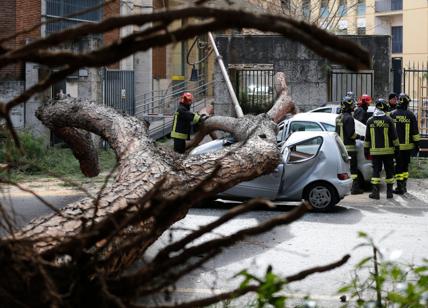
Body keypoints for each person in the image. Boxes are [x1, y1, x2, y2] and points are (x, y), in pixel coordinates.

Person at [364, 98, 400, 199]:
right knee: (389, 172)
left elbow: (367, 139)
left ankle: (375, 193)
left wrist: (366, 151)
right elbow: (394, 137)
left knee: (376, 172)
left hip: (375, 153)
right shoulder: (388, 120)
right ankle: (389, 193)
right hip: (388, 152)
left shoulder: (370, 121)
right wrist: (397, 149)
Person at [390, 93, 421, 194]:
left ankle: (399, 187)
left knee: (398, 166)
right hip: (408, 148)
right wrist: (417, 145)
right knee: (405, 167)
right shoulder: (410, 115)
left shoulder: (392, 114)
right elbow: (415, 132)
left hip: (396, 148)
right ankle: (404, 186)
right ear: (406, 103)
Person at [336, 95, 364, 194]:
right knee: (353, 169)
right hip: (350, 148)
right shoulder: (349, 118)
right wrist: (360, 137)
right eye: (352, 104)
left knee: (343, 169)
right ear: (348, 106)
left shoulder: (338, 118)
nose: (354, 106)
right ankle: (354, 188)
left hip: (340, 148)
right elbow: (351, 134)